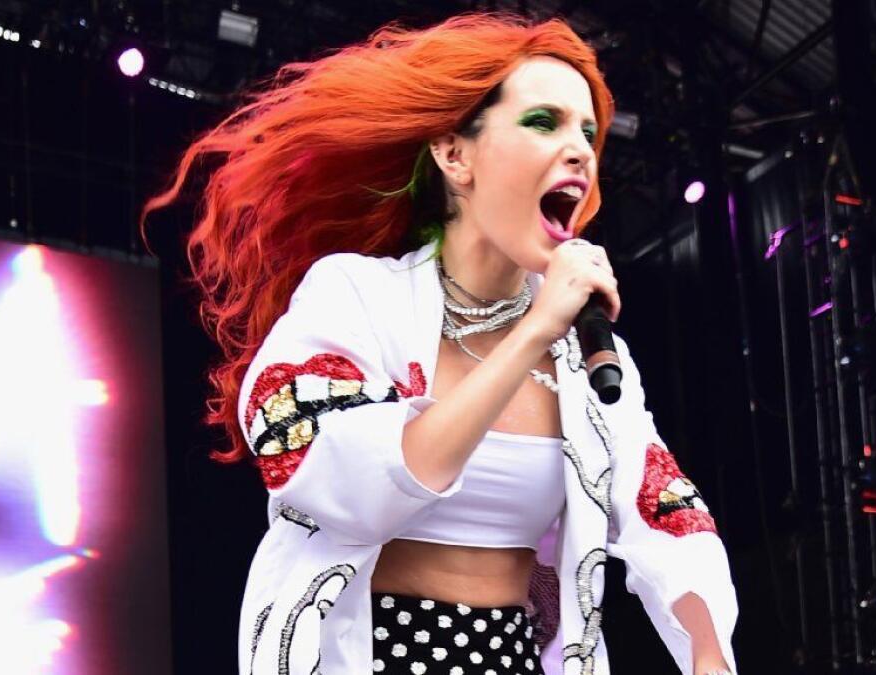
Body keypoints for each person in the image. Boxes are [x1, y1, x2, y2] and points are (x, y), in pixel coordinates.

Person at [145, 13, 738, 675]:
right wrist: (535, 329)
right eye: (545, 121)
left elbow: (667, 515)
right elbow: (351, 480)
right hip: (375, 654)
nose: (580, 150)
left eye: (589, 133)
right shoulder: (357, 297)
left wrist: (709, 656)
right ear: (456, 155)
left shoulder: (591, 362)